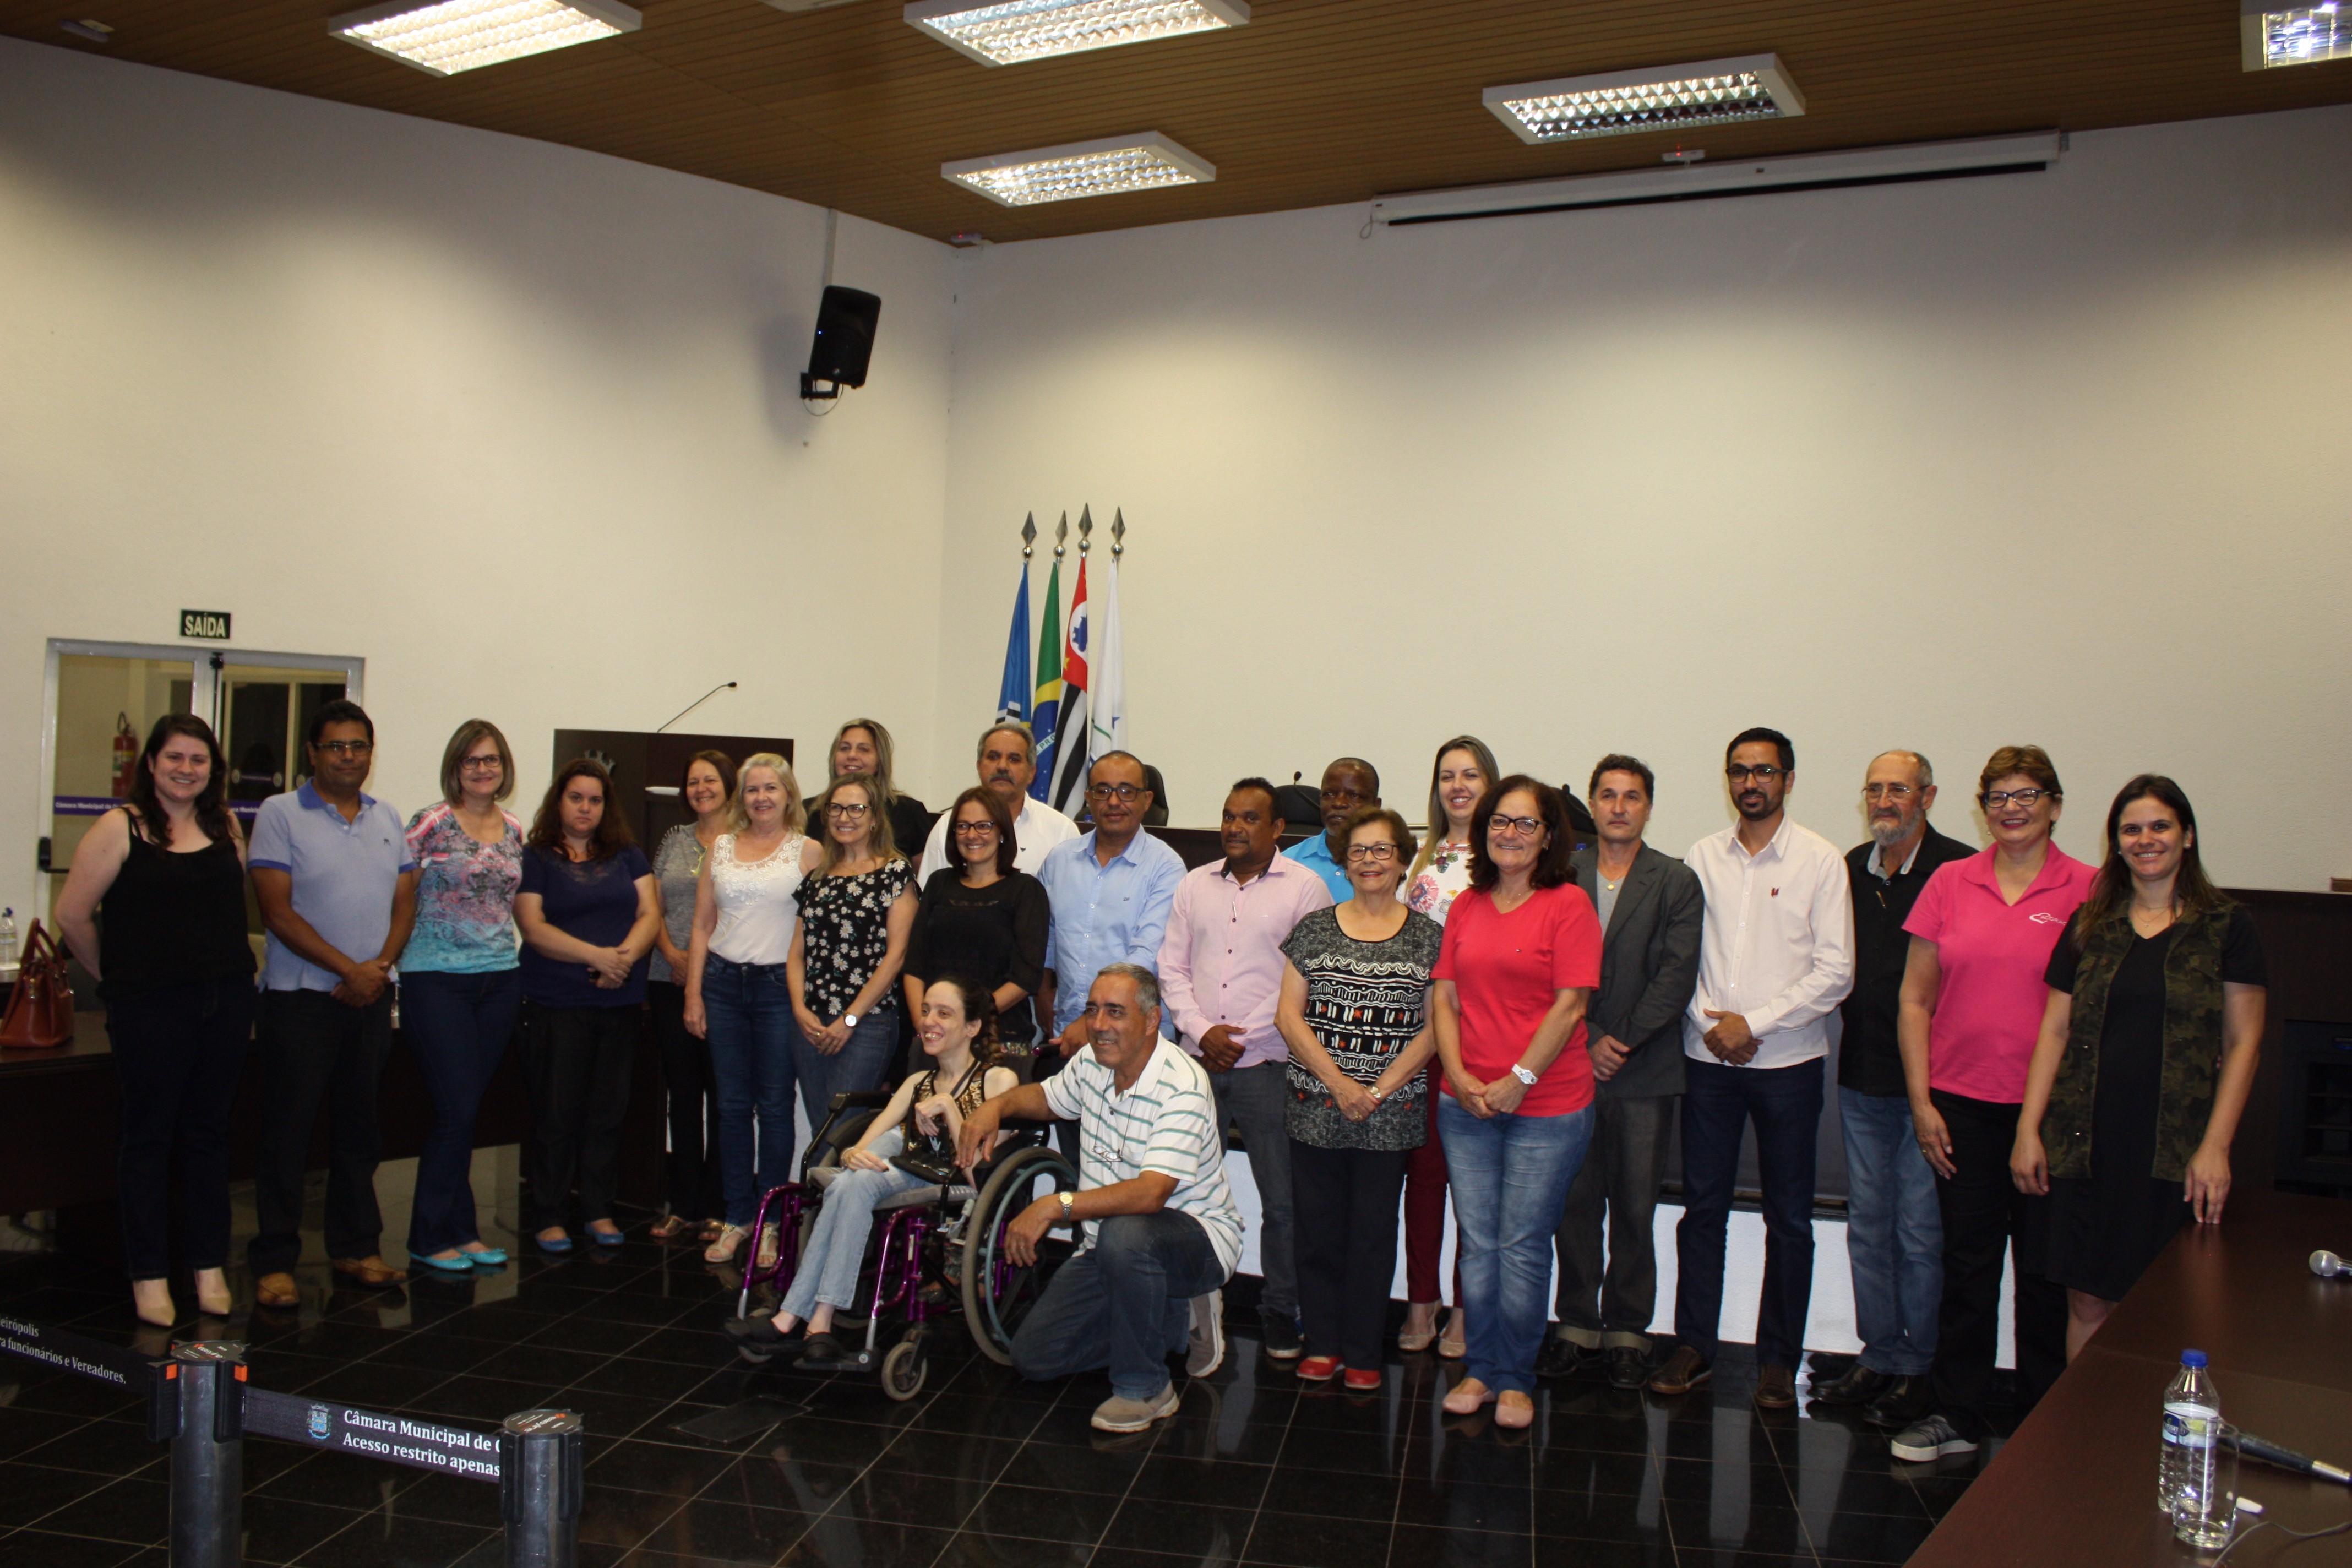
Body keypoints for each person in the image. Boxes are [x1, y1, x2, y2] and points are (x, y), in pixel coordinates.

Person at [1882, 745, 2092, 1462]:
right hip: (1961, 1108)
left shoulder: (2090, 890)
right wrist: (1921, 1103)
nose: (2012, 809)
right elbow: (1914, 1000)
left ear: (2055, 806)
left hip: (2051, 1116)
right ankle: (1958, 1414)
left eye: (2027, 795)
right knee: (1968, 1269)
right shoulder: (1951, 881)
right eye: (1998, 797)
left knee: (2045, 1274)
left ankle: (2043, 1423)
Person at [2016, 780, 2264, 1355]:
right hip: (2085, 1145)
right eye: (2131, 829)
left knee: (2165, 1309)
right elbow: (2055, 1030)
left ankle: (2153, 1418)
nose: (2145, 840)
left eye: (2160, 826)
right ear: (2116, 842)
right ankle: (2087, 1415)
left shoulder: (2226, 927)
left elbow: (2244, 1042)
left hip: (2175, 1152)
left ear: (2187, 836)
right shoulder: (2089, 923)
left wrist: (2216, 1147)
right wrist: (2029, 1130)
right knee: (2086, 1301)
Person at [1653, 728, 1853, 1411]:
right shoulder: (1701, 858)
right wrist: (1713, 1026)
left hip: (1788, 1065)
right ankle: (1694, 1346)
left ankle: (1777, 1360)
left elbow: (1836, 971)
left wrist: (1754, 1023)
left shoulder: (1821, 861)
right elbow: (1680, 957)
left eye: (1764, 771)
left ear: (1788, 780)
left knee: (1789, 1218)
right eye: (1739, 771)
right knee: (1702, 1208)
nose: (1751, 782)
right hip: (1707, 1060)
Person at [955, 965, 1242, 1434]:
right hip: (1106, 1247)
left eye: (1115, 1012)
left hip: (1195, 1240)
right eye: (1092, 1010)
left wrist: (1055, 1205)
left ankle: (1145, 1388)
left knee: (1126, 1234)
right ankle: (1172, 1318)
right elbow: (1047, 1099)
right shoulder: (1091, 1061)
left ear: (1152, 1020)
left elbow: (1151, 1194)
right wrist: (995, 1107)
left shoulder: (1183, 1085)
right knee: (1035, 1358)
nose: (1099, 1024)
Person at [54, 715, 255, 1326]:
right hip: (150, 1008)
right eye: (175, 757)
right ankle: (148, 1275)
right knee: (148, 1139)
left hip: (224, 1000)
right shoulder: (120, 827)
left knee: (209, 1135)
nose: (186, 769)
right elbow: (72, 915)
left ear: (212, 769)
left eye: (198, 759)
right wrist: (117, 978)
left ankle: (208, 1266)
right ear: (151, 763)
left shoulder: (225, 825)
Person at [1430, 776, 1603, 1431]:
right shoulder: (1467, 905)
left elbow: (1571, 1005)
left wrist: (1518, 1079)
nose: (1511, 833)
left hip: (1548, 1106)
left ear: (1549, 835)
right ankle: (1479, 1368)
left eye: (1526, 823)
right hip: (1466, 1103)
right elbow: (1445, 997)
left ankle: (1514, 1378)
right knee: (1478, 1244)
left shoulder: (1569, 905)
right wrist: (1457, 1073)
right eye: (1500, 821)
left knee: (1523, 1245)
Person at [736, 976, 1021, 1368]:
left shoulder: (999, 1080)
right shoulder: (917, 1082)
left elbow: (978, 1172)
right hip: (911, 1170)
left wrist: (948, 1107)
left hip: (958, 1181)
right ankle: (813, 1323)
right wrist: (852, 1154)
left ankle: (796, 1317)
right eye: (926, 1011)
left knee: (853, 1185)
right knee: (850, 1182)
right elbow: (861, 1145)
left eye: (944, 1014)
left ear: (972, 1027)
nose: (929, 1021)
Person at [1810, 750, 1972, 1420]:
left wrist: (1929, 1092)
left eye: (1898, 789)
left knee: (1921, 1232)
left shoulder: (1959, 871)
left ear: (1927, 797)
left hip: (1930, 1087)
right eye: (1874, 789)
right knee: (1869, 1228)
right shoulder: (1850, 869)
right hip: (1862, 1076)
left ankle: (1919, 1367)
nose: (1884, 801)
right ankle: (1879, 1354)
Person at [244, 699, 417, 1308]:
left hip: (368, 999)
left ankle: (356, 1247)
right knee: (288, 1134)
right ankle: (274, 1261)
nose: (348, 756)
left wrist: (378, 970)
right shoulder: (280, 813)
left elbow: (405, 905)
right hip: (301, 1001)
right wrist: (350, 970)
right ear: (312, 753)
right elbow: (277, 913)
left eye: (359, 746)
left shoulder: (386, 816)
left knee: (359, 1130)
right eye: (336, 746)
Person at [1539, 755, 1703, 1391]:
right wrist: (1587, 1039)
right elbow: (1544, 969)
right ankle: (1578, 1324)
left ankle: (1629, 1331)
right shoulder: (1562, 877)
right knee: (1574, 1204)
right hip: (1569, 1065)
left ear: (1648, 807)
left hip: (1644, 1071)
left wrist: (1621, 1040)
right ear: (1591, 803)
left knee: (1636, 1207)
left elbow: (1676, 975)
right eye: (1607, 795)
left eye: (1631, 796)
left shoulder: (1676, 880)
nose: (1618, 807)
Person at [1159, 778, 1335, 1361]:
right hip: (1195, 1065)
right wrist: (1199, 1027)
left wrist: (1238, 1036)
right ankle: (1187, 1305)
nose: (1235, 827)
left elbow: (1305, 976)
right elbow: (1171, 967)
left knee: (1281, 1201)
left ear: (1278, 828)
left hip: (1269, 1067)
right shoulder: (1194, 884)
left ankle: (1281, 1311)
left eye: (1250, 818)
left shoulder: (1306, 888)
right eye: (1229, 816)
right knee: (1183, 1188)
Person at [1274, 805, 1441, 1389]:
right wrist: (1341, 1085)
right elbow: (1288, 1016)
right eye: (1358, 851)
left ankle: (1365, 1351)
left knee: (1373, 1234)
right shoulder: (1314, 928)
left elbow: (1436, 1028)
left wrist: (1376, 1090)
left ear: (1402, 860)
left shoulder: (1428, 936)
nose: (1370, 861)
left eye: (1382, 850)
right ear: (1345, 863)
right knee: (1317, 1231)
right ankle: (1322, 1344)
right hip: (1316, 1105)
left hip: (1390, 1113)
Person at [514, 758, 660, 1256]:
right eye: (576, 798)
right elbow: (533, 927)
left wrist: (622, 960)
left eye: (595, 800)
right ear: (559, 801)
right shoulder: (537, 856)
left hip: (619, 1003)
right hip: (556, 1004)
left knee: (606, 1114)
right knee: (557, 1114)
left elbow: (650, 913)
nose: (586, 808)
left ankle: (599, 1209)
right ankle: (550, 1215)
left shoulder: (627, 855)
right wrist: (597, 957)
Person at [398, 720, 525, 1273]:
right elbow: (397, 894)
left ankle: (463, 1231)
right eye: (472, 760)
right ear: (456, 767)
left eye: (491, 759)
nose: (482, 769)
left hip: (499, 980)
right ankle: (428, 1237)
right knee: (456, 1108)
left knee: (467, 1108)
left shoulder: (514, 828)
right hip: (436, 978)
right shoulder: (430, 823)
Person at [686, 753, 823, 1265]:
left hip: (777, 991)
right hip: (722, 985)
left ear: (788, 794)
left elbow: (818, 932)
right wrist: (693, 994)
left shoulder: (808, 851)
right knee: (730, 1107)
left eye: (771, 788)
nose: (761, 797)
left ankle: (771, 1219)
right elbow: (702, 925)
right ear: (741, 798)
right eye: (752, 789)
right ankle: (737, 1216)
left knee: (776, 1106)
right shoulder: (720, 847)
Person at [1401, 734, 1499, 1357]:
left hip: (1476, 1038)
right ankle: (1421, 1301)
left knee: (1472, 1183)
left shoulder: (1502, 858)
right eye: (1447, 776)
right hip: (1417, 1042)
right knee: (1425, 1176)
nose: (1457, 787)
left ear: (1491, 784)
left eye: (1470, 775)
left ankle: (1466, 1309)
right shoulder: (1421, 856)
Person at [1033, 752, 1185, 1074]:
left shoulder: (1166, 868)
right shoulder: (1060, 860)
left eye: (1126, 791)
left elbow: (1145, 956)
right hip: (1065, 1035)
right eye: (1102, 791)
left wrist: (1092, 1020)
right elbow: (1045, 938)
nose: (1114, 801)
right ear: (1088, 798)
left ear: (1147, 800)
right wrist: (1043, 994)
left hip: (1135, 1043)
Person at [790, 774, 919, 1131]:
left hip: (867, 1024)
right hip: (812, 1024)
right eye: (835, 809)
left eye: (856, 809)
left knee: (840, 1130)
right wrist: (800, 1010)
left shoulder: (895, 873)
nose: (844, 817)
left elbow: (897, 956)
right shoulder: (817, 878)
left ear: (875, 817)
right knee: (821, 1130)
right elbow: (797, 954)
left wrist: (850, 1019)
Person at [647, 750, 734, 1242]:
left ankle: (718, 1205)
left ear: (729, 786)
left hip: (722, 984)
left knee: (723, 1096)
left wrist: (700, 966)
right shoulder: (674, 840)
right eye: (693, 781)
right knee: (682, 1095)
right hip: (669, 979)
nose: (701, 789)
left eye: (710, 780)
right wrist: (672, 954)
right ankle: (682, 1204)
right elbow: (653, 906)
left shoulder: (745, 842)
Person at [902, 786, 1049, 1046]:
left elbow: (1026, 977)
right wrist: (923, 1021)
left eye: (983, 826)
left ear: (1002, 832)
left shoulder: (1026, 891)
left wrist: (965, 1023)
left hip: (999, 1036)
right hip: (934, 1036)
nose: (972, 835)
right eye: (963, 826)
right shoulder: (938, 883)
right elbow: (915, 964)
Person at [913, 721, 1079, 885]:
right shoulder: (947, 826)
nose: (1002, 766)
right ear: (979, 767)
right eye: (993, 757)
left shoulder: (1061, 831)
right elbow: (928, 894)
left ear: (1031, 772)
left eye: (1014, 759)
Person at [808, 718, 931, 867]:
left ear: (880, 761)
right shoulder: (809, 811)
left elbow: (925, 875)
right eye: (845, 748)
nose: (852, 755)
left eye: (863, 749)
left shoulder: (909, 812)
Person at [1283, 757, 1380, 902]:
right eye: (1329, 794)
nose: (1339, 803)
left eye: (1354, 796)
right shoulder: (1289, 863)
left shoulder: (1390, 866)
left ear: (1376, 806)